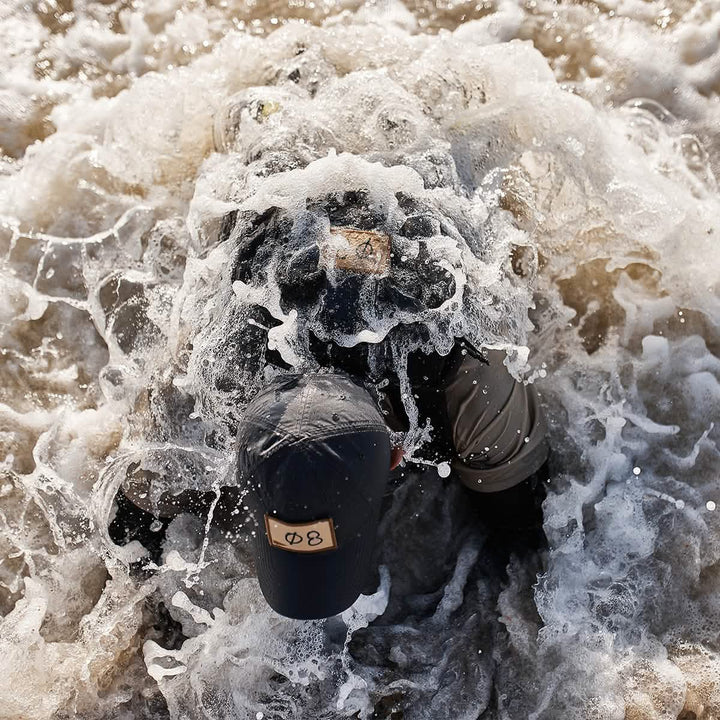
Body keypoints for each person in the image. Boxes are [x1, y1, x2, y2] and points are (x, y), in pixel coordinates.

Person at [111, 184, 550, 620]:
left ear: (398, 453)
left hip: (412, 183)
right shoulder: (201, 386)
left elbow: (524, 533)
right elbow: (128, 522)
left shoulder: (476, 381)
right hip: (283, 187)